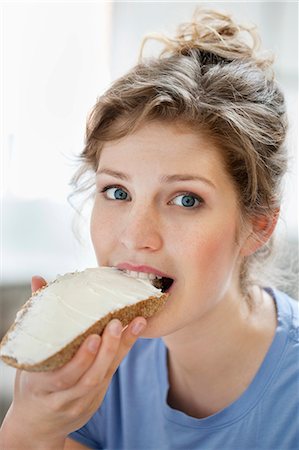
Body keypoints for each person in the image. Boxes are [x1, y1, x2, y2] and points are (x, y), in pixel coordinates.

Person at [1, 8, 298, 450]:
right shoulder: (99, 364)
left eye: (186, 200)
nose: (136, 235)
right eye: (117, 192)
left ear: (258, 226)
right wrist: (30, 427)